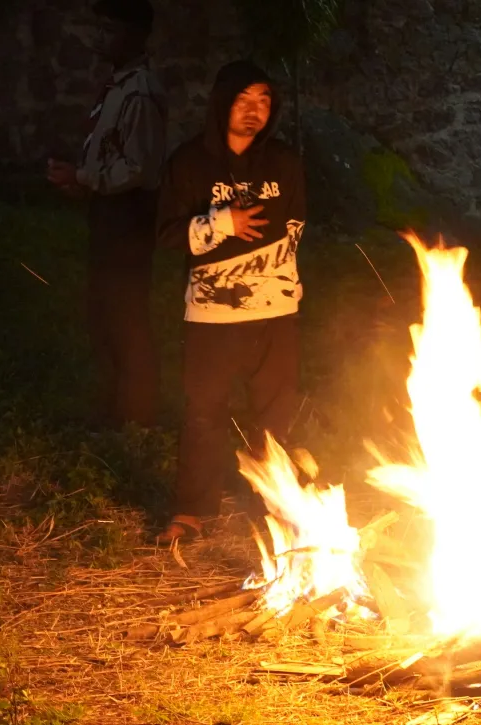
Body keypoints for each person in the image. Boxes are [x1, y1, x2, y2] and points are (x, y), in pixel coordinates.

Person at [154, 61, 307, 543]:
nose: (254, 112)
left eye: (263, 101)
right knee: (204, 410)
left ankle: (277, 507)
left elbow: (297, 225)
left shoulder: (284, 162)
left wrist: (273, 278)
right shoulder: (189, 163)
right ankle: (192, 510)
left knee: (277, 414)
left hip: (276, 312)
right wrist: (222, 224)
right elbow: (167, 234)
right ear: (222, 103)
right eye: (244, 101)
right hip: (212, 314)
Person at [46, 0, 167, 428]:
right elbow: (113, 154)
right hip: (109, 214)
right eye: (99, 28)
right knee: (102, 312)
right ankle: (113, 407)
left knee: (125, 315)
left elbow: (138, 167)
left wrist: (85, 178)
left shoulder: (141, 92)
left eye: (110, 29)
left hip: (129, 220)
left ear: (136, 34)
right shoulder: (119, 86)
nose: (101, 38)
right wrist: (83, 182)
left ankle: (136, 416)